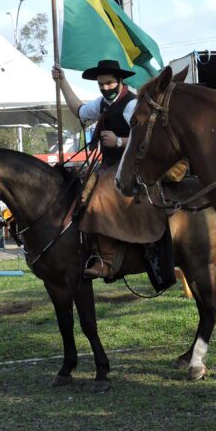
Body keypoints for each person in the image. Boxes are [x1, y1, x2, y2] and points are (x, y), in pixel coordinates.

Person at [51, 59, 174, 290]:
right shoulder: (102, 104)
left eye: (109, 83)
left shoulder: (131, 105)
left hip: (130, 167)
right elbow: (78, 109)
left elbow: (149, 137)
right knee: (78, 192)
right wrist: (63, 82)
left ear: (120, 81)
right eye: (101, 84)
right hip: (108, 165)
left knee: (97, 199)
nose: (105, 88)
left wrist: (119, 141)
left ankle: (107, 260)